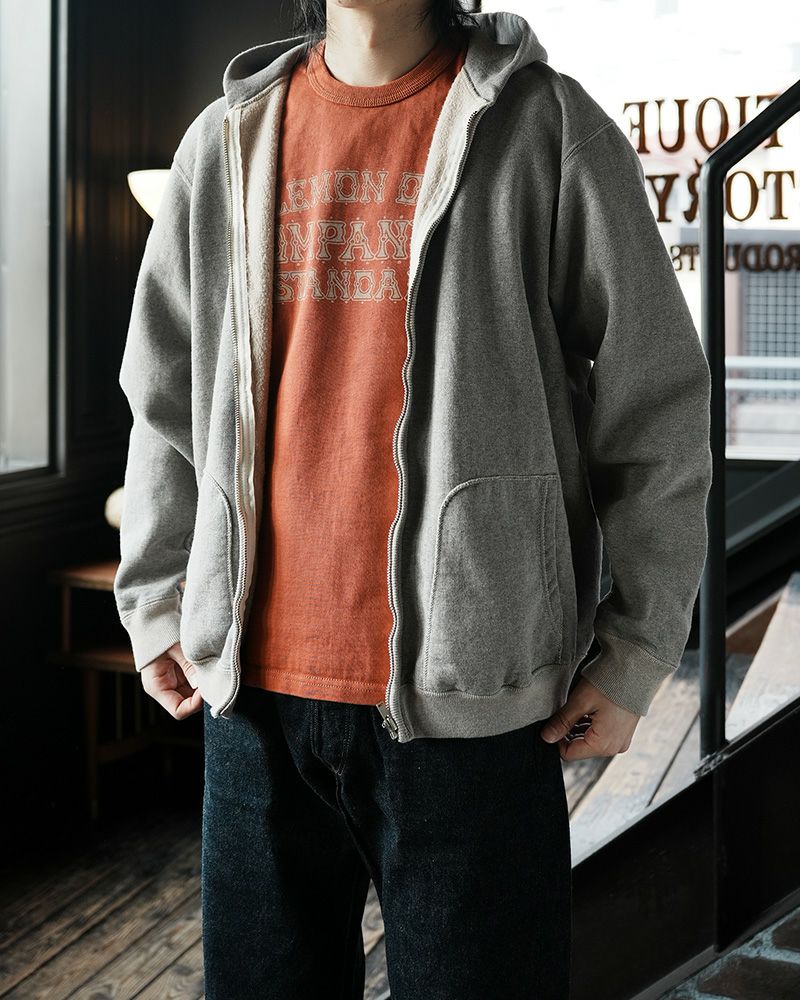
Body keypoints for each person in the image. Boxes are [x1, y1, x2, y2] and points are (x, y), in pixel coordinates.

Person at [113, 2, 713, 998]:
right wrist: (156, 599)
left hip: (473, 710)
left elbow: (654, 404)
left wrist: (638, 648)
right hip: (251, 704)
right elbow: (163, 395)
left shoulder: (548, 127)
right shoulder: (222, 141)